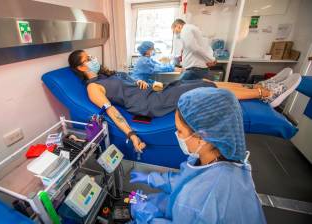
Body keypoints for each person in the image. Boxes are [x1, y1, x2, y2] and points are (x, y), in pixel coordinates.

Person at [68, 50, 299, 152]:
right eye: (88, 59)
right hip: (151, 105)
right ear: (80, 67)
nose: (93, 60)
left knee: (207, 81)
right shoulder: (93, 88)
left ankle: (259, 88)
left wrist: (141, 83)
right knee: (206, 87)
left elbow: (127, 88)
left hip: (152, 93)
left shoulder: (105, 75)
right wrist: (132, 134)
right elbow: (112, 113)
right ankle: (267, 94)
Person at [129, 87, 267, 224]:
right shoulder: (214, 157)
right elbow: (185, 181)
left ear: (202, 137)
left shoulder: (202, 199)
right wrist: (151, 178)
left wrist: (145, 217)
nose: (177, 135)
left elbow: (192, 201)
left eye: (180, 131)